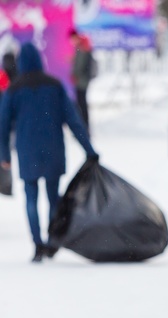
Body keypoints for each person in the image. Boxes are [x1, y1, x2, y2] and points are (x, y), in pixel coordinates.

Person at [0, 42, 98, 262]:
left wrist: (5, 156)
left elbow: (3, 125)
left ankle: (37, 245)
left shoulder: (14, 90)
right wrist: (89, 150)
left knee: (31, 198)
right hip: (53, 150)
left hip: (27, 153)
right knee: (53, 197)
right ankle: (52, 241)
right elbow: (74, 120)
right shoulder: (54, 86)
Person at [68, 29, 94, 133]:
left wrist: (74, 74)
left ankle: (84, 127)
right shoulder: (83, 45)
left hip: (82, 81)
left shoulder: (82, 47)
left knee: (81, 104)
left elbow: (80, 65)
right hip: (83, 80)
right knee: (81, 103)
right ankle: (84, 126)